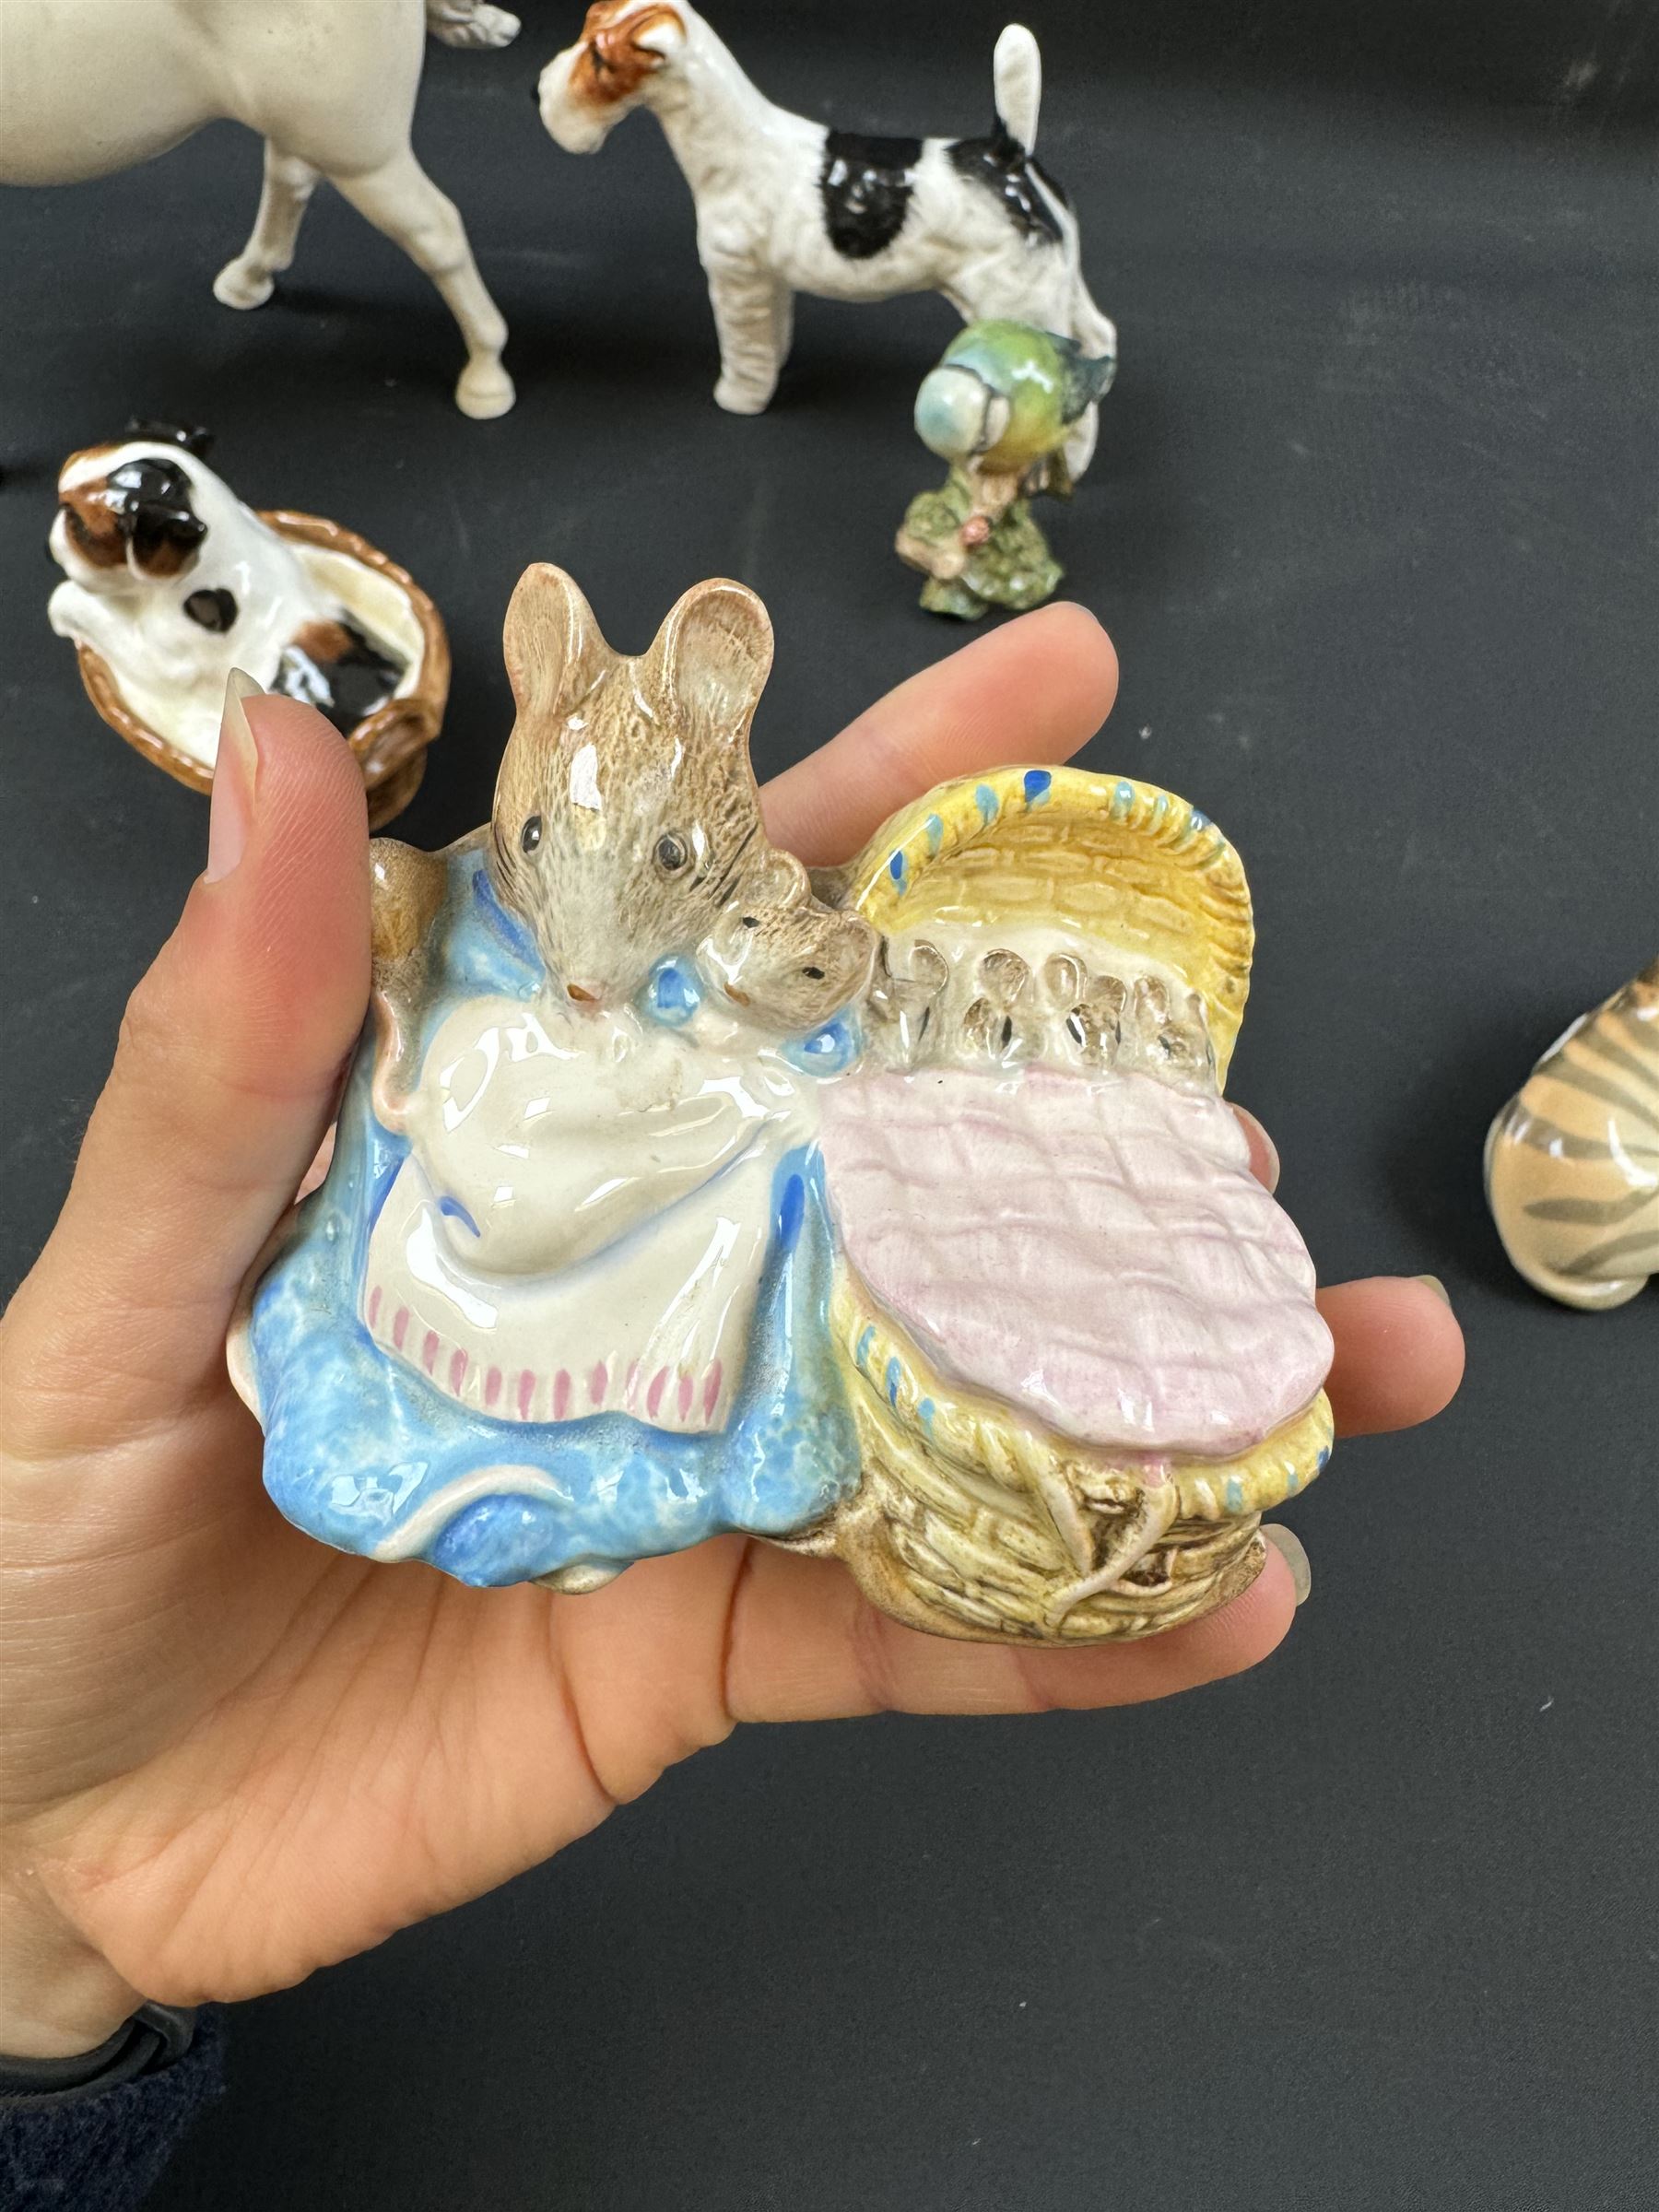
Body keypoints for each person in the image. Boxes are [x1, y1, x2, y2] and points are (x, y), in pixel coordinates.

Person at [0, 607, 1464, 2209]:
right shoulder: (475, 947)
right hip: (499, 1146)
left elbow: (803, 1020)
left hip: (666, 1135)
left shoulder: (761, 941)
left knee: (752, 1157)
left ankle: (698, 1400)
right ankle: (556, 1402)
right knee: (639, 1147)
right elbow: (479, 1027)